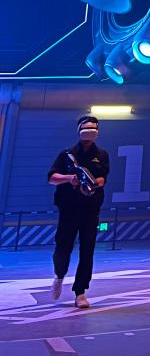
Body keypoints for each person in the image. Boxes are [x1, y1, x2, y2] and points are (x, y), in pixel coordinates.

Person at [47, 114, 110, 308]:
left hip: (90, 209)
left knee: (87, 250)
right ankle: (59, 276)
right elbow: (51, 178)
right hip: (69, 209)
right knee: (63, 247)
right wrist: (69, 178)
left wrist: (96, 183)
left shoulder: (102, 155)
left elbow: (103, 177)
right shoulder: (67, 155)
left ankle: (80, 292)